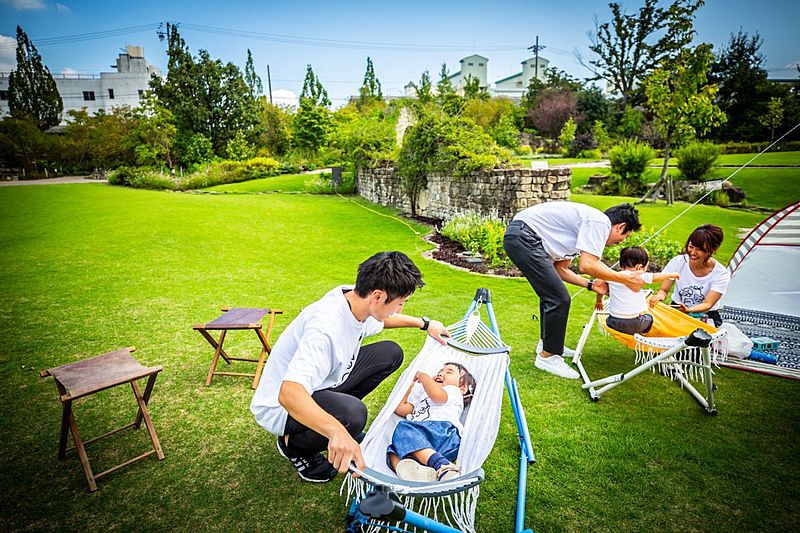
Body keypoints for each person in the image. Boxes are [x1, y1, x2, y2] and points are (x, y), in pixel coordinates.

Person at [250, 251, 450, 483]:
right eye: (400, 304)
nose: (400, 309)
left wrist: (425, 324)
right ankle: (294, 446)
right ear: (377, 296)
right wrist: (337, 431)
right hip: (279, 405)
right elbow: (289, 393)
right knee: (354, 415)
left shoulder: (355, 299)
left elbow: (384, 319)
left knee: (390, 353)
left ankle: (332, 419)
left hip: (319, 383)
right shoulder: (326, 329)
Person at [504, 202, 643, 379]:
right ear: (621, 226)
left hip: (521, 236)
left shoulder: (585, 231)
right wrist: (625, 278)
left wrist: (592, 286)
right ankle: (548, 357)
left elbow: (560, 269)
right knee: (559, 298)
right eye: (624, 236)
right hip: (524, 236)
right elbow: (587, 265)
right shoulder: (600, 222)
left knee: (552, 295)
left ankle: (547, 344)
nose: (621, 242)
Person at [387, 362, 476, 482]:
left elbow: (436, 394)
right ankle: (413, 471)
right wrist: (410, 385)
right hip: (423, 447)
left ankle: (443, 466)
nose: (440, 374)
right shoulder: (423, 399)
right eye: (440, 371)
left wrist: (423, 376)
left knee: (403, 428)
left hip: (443, 432)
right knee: (392, 451)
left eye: (448, 372)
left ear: (462, 388)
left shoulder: (453, 392)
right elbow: (400, 408)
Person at [650, 224, 730, 327]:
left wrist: (689, 310)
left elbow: (708, 304)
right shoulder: (678, 262)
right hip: (677, 311)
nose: (693, 252)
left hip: (706, 317)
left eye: (700, 249)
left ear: (713, 249)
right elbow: (664, 290)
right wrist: (659, 297)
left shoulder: (721, 274)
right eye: (691, 247)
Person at [595, 246, 680, 335]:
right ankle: (641, 334)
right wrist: (672, 274)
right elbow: (656, 277)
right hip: (634, 324)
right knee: (649, 318)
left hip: (612, 322)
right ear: (639, 267)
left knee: (627, 318)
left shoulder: (612, 276)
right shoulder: (639, 275)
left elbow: (600, 291)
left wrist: (599, 301)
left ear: (620, 264)